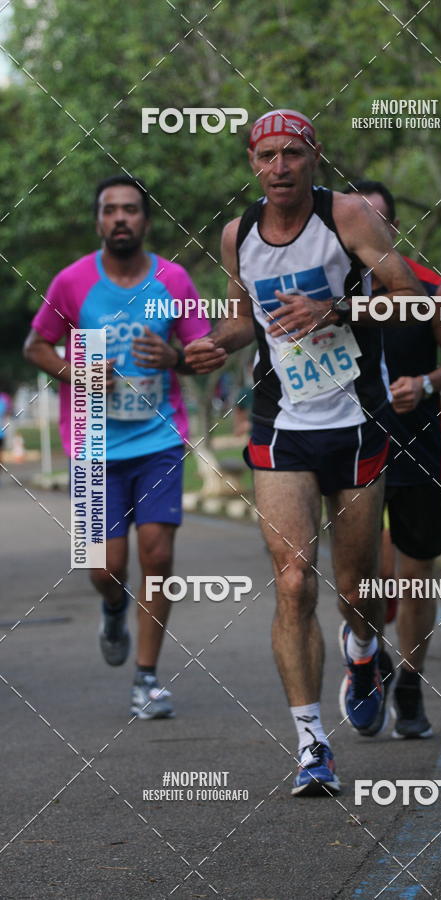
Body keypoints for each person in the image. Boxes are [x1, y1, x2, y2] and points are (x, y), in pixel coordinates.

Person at [185, 109, 441, 796]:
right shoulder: (237, 233)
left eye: (292, 154)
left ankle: (363, 651)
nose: (280, 167)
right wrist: (218, 344)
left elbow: (413, 301)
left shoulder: (351, 218)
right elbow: (244, 321)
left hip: (357, 422)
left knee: (357, 590)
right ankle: (311, 746)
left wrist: (335, 310)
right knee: (296, 577)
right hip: (282, 425)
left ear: (313, 158)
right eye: (267, 155)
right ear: (251, 162)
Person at [23, 175, 210, 719]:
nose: (121, 218)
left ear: (145, 220)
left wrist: (174, 357)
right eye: (111, 210)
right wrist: (75, 373)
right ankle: (112, 607)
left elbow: (199, 346)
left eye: (131, 209)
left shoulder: (173, 280)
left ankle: (147, 679)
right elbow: (37, 345)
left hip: (158, 439)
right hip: (91, 444)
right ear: (98, 220)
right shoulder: (71, 283)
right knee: (106, 570)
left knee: (158, 556)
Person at [345, 180, 441, 739]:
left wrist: (425, 383)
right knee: (365, 579)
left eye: (380, 224)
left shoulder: (428, 288)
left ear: (392, 232)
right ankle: (365, 658)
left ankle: (410, 683)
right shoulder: (332, 295)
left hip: (419, 451)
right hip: (351, 454)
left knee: (416, 575)